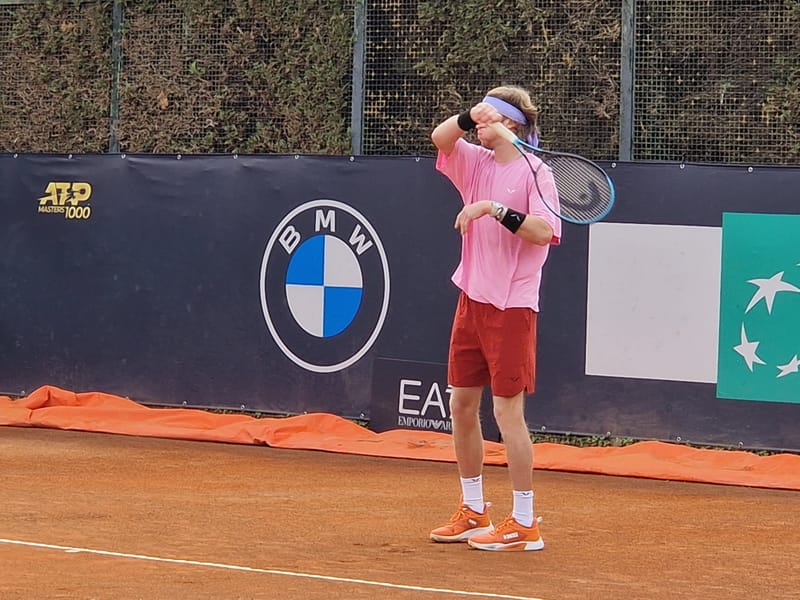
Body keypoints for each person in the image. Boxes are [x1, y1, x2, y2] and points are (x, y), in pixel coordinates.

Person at [428, 85, 561, 552]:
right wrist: (470, 116)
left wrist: (492, 208)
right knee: (461, 406)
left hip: (512, 306)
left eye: (488, 117)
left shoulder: (536, 172)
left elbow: (543, 231)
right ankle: (473, 509)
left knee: (507, 413)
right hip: (472, 299)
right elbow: (441, 138)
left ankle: (524, 523)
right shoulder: (475, 161)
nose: (477, 126)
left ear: (510, 125)